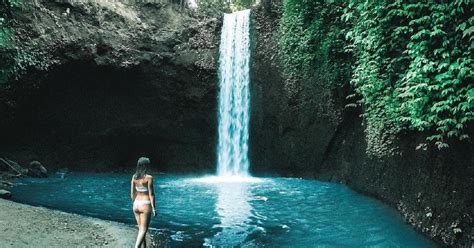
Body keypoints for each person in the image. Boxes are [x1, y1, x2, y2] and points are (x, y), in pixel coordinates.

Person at [131, 157, 156, 248]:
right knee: (143, 229)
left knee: (141, 229)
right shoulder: (149, 178)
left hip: (136, 204)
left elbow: (132, 194)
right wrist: (154, 208)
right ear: (146, 166)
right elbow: (151, 194)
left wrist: (134, 203)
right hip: (145, 204)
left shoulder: (134, 177)